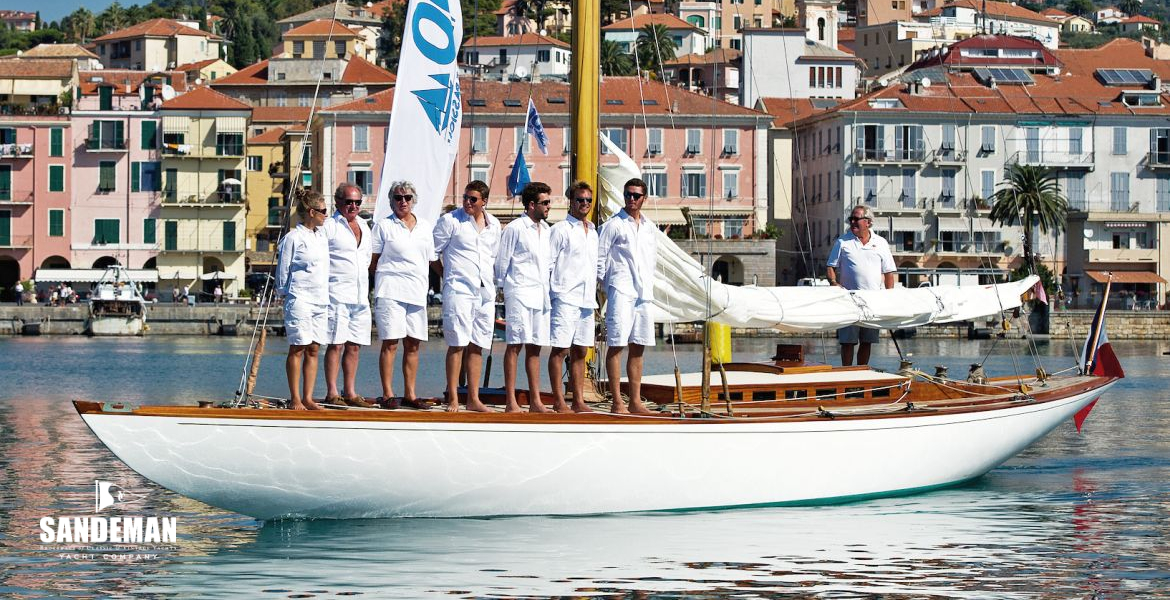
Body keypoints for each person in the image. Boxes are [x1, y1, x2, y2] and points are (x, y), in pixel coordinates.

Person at [433, 180, 501, 412]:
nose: (467, 202)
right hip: (459, 290)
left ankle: (473, 398)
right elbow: (432, 253)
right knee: (457, 344)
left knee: (477, 345)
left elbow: (493, 257)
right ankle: (453, 397)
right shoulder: (450, 221)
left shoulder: (494, 225)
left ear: (484, 202)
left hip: (485, 292)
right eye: (465, 197)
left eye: (473, 199)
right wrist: (447, 276)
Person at [370, 181, 435, 408]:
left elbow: (431, 260)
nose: (403, 202)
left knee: (413, 345)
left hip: (417, 292)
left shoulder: (425, 227)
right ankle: (388, 394)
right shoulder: (383, 226)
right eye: (398, 198)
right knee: (390, 343)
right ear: (391, 201)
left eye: (407, 197)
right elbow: (373, 260)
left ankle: (410, 394)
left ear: (414, 200)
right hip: (390, 291)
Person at [597, 177, 658, 415]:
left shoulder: (649, 227)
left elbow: (651, 258)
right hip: (621, 288)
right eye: (628, 195)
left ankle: (635, 401)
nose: (631, 199)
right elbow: (600, 257)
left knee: (639, 346)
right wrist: (605, 286)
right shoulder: (614, 225)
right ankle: (616, 402)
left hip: (643, 291)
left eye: (636, 195)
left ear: (644, 198)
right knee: (616, 344)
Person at [495, 181, 554, 413]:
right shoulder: (515, 228)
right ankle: (511, 400)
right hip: (519, 292)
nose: (549, 206)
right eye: (545, 202)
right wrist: (503, 288)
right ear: (531, 205)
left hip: (540, 294)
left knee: (535, 347)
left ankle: (535, 400)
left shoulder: (547, 231)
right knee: (514, 344)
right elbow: (501, 263)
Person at [275, 190, 331, 410]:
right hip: (300, 298)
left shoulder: (321, 237)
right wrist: (285, 294)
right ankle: (295, 398)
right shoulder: (293, 238)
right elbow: (283, 271)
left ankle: (308, 397)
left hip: (320, 299)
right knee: (298, 347)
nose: (326, 215)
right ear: (311, 212)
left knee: (315, 348)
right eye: (324, 211)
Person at [322, 183, 374, 408]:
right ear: (338, 202)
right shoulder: (330, 226)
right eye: (348, 202)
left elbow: (367, 258)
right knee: (336, 344)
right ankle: (332, 391)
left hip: (361, 296)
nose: (353, 206)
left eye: (357, 202)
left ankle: (350, 391)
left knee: (355, 345)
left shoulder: (365, 225)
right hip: (337, 294)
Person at [547, 181, 598, 414]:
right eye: (580, 200)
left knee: (580, 350)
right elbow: (548, 264)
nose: (585, 204)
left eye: (588, 200)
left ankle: (578, 400)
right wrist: (550, 294)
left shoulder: (594, 231)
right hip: (565, 296)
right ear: (571, 201)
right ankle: (558, 401)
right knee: (560, 350)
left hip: (588, 299)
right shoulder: (560, 230)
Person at [826, 204, 897, 367]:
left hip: (872, 302)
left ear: (868, 222)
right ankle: (847, 374)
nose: (852, 222)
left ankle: (861, 372)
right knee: (847, 342)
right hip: (849, 300)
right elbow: (830, 266)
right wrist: (834, 283)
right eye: (851, 219)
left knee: (867, 341)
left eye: (856, 219)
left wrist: (889, 297)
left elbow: (888, 273)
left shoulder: (881, 243)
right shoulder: (843, 241)